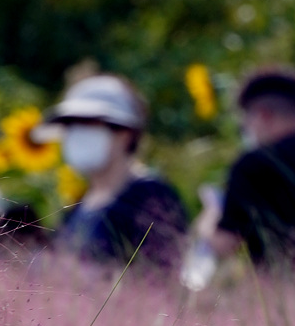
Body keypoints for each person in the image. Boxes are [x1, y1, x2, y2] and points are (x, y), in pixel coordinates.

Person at [190, 66, 295, 278]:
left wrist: (210, 215)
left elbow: (224, 244)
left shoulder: (253, 166)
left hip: (282, 292)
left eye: (246, 124)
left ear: (263, 115)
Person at [34, 74, 188, 273]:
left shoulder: (150, 198)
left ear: (125, 133)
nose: (78, 133)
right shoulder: (79, 207)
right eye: (71, 124)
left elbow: (160, 276)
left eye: (89, 123)